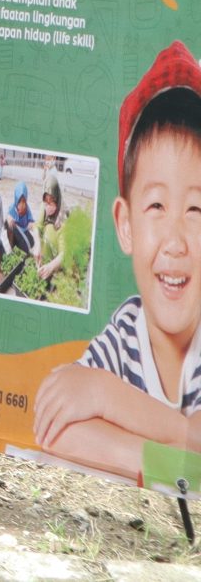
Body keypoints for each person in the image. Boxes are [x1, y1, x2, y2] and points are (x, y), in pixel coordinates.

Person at [35, 43, 201, 476]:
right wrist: (172, 465)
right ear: (125, 224)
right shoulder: (127, 327)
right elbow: (55, 428)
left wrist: (106, 397)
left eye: (196, 210)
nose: (176, 241)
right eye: (157, 207)